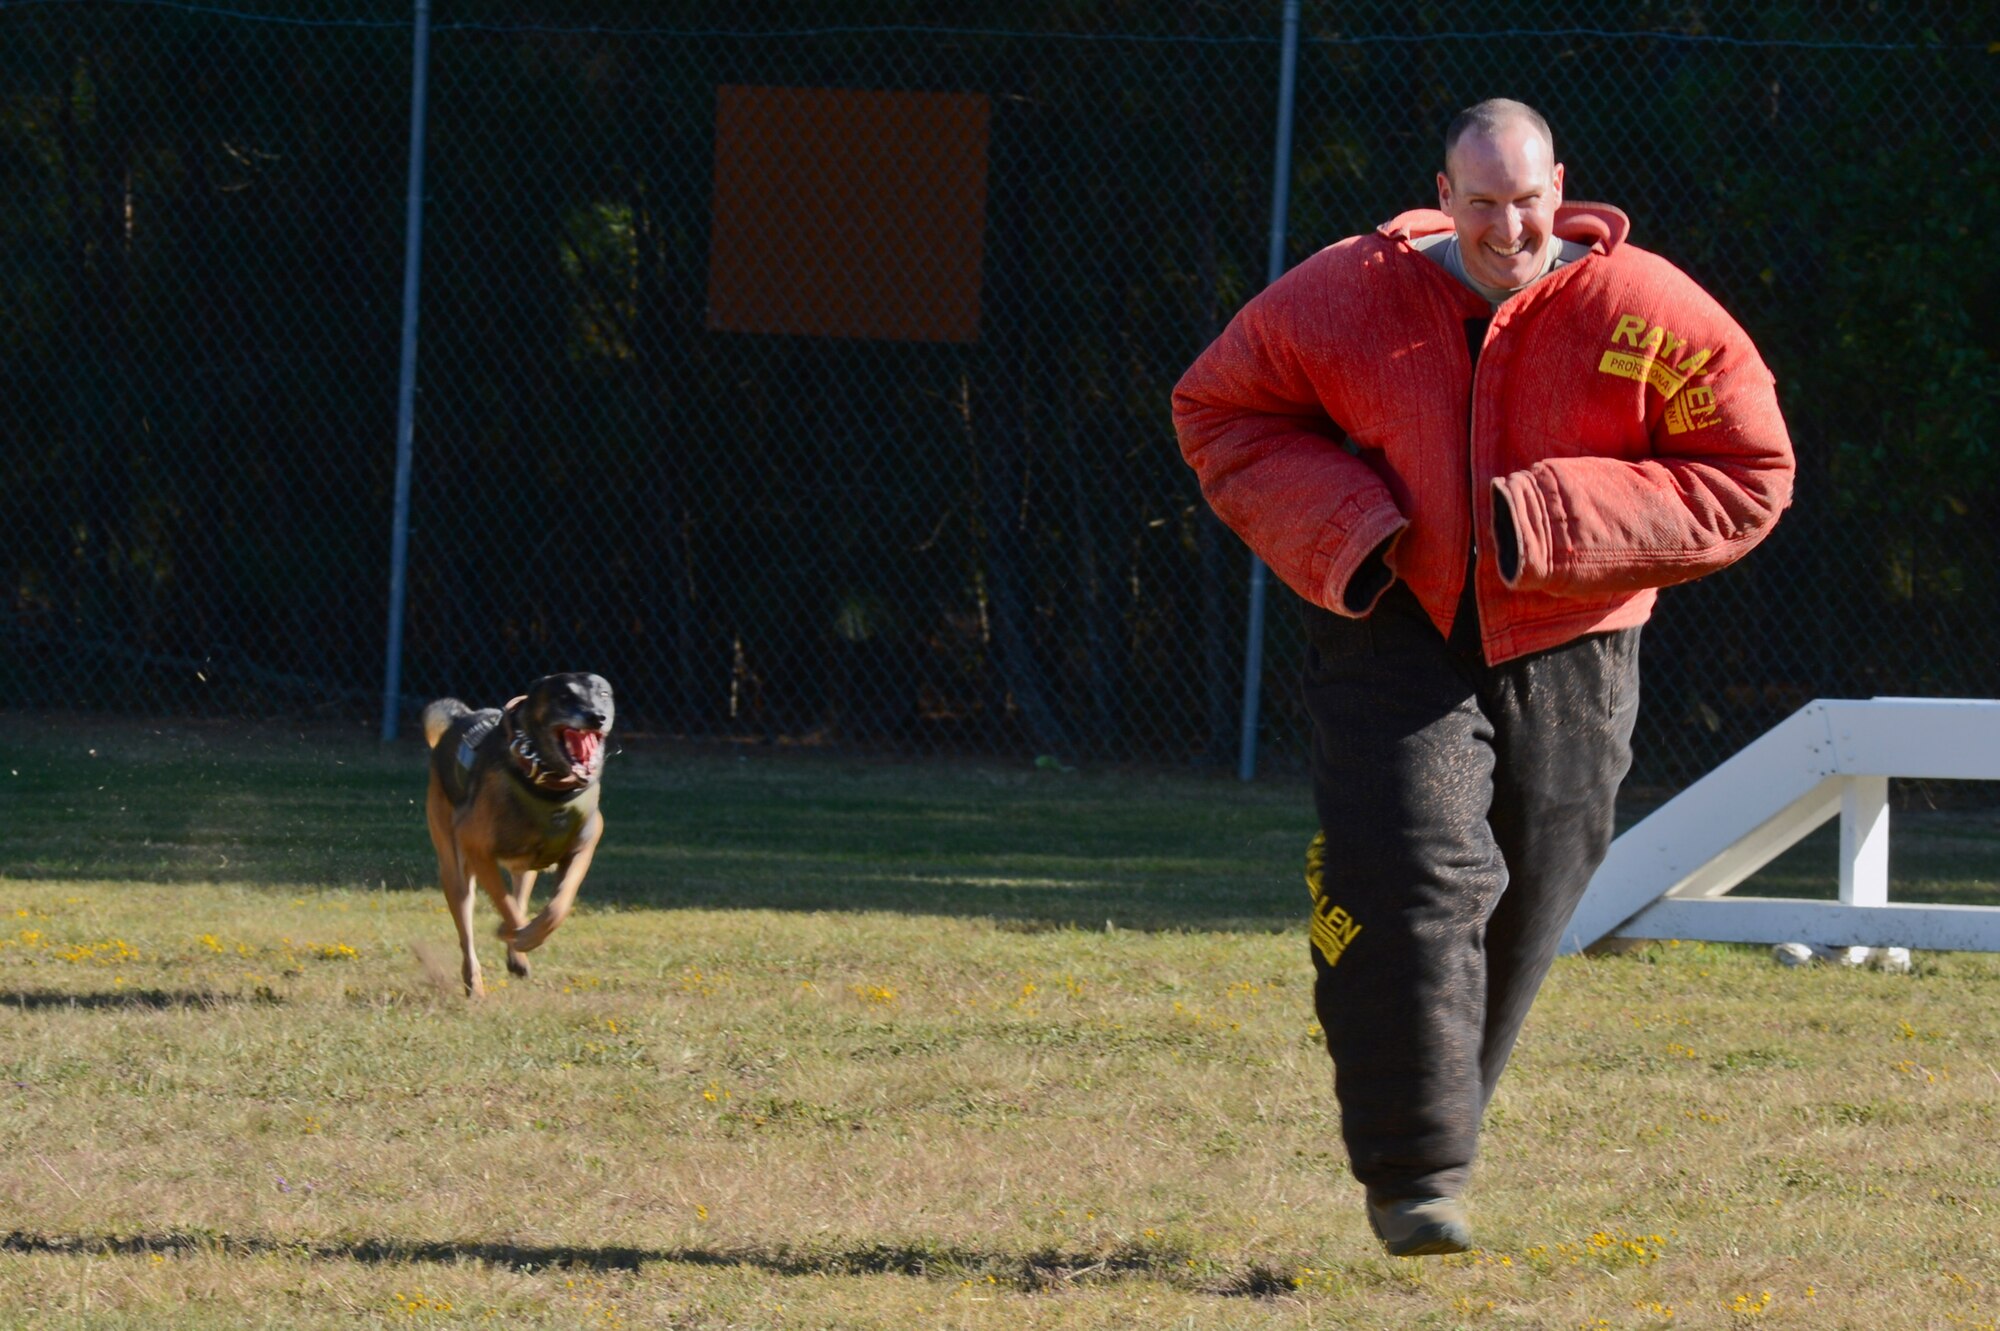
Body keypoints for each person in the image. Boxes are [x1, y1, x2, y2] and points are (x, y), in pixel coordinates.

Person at [1171, 99, 1794, 1256]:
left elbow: (1748, 474)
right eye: (1484, 203)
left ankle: (1430, 1109)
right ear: (1442, 195)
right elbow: (1218, 408)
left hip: (1574, 631)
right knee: (1416, 873)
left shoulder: (1645, 307)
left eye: (1527, 201)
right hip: (1388, 618)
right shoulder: (1341, 293)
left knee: (1534, 890)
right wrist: (1352, 526)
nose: (1509, 227)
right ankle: (1415, 1176)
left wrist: (1549, 520)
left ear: (1558, 186)